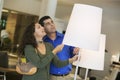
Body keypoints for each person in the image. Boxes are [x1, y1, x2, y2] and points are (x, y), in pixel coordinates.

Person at [39, 16, 80, 80]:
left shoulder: (66, 38)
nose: (52, 24)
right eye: (48, 24)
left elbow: (73, 53)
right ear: (43, 28)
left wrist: (75, 51)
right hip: (49, 77)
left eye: (52, 22)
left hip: (67, 76)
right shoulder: (42, 41)